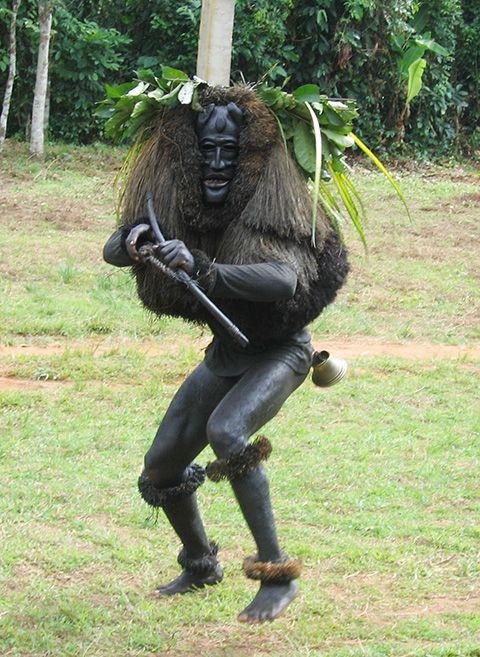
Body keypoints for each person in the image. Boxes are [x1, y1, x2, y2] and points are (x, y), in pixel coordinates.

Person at [103, 85, 349, 623]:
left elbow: (283, 280)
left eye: (228, 153)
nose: (216, 163)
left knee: (228, 431)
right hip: (226, 352)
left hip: (281, 352)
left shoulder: (271, 203)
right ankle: (200, 563)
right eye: (207, 151)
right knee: (162, 466)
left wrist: (207, 271)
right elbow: (110, 250)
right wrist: (134, 242)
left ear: (249, 156)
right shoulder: (184, 199)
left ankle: (276, 574)